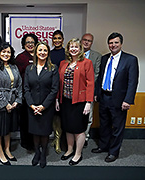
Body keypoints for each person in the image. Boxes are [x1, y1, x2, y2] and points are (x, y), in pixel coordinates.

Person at [92, 32, 139, 163]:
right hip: (104, 97)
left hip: (119, 100)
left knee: (117, 127)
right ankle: (103, 146)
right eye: (111, 43)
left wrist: (128, 100)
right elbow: (100, 78)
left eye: (116, 42)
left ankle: (114, 152)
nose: (113, 45)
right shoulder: (104, 58)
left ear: (121, 43)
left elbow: (132, 82)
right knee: (104, 124)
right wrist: (97, 93)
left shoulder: (130, 59)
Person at [56, 38, 94, 166]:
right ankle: (69, 150)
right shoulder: (63, 63)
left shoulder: (86, 63)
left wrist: (88, 102)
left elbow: (90, 84)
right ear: (68, 49)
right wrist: (57, 99)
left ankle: (78, 154)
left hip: (80, 102)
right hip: (65, 101)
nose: (73, 49)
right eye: (71, 47)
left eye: (76, 47)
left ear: (80, 49)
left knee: (78, 129)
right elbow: (59, 83)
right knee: (67, 127)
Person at [24, 42, 59, 168]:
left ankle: (43, 153)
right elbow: (26, 89)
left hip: (46, 107)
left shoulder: (53, 68)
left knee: (44, 132)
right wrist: (32, 105)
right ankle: (37, 152)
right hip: (32, 106)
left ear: (48, 52)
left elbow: (54, 89)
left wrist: (43, 106)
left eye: (45, 50)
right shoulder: (30, 68)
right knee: (35, 131)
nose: (42, 52)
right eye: (40, 50)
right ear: (36, 52)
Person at [0, 42, 22, 165]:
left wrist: (17, 101)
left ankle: (7, 150)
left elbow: (19, 85)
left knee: (7, 130)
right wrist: (5, 104)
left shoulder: (14, 67)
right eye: (3, 51)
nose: (6, 54)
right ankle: (0, 152)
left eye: (8, 52)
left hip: (13, 103)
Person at [15, 33, 38, 151]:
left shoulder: (40, 56)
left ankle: (36, 142)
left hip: (38, 95)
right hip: (25, 94)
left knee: (36, 120)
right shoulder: (20, 58)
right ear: (24, 44)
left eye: (32, 42)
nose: (30, 44)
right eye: (27, 42)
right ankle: (26, 142)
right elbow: (17, 77)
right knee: (25, 120)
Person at [81, 33, 102, 147]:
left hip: (89, 90)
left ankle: (85, 137)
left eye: (89, 41)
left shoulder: (97, 56)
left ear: (91, 43)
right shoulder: (74, 53)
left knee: (88, 116)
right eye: (85, 40)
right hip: (75, 92)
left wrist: (90, 90)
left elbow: (97, 74)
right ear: (81, 41)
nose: (86, 42)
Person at [50, 30, 65, 154]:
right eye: (55, 38)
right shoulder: (48, 54)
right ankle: (56, 139)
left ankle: (60, 140)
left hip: (65, 89)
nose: (57, 40)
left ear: (63, 39)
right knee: (54, 117)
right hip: (51, 88)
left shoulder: (67, 54)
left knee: (62, 117)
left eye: (59, 38)